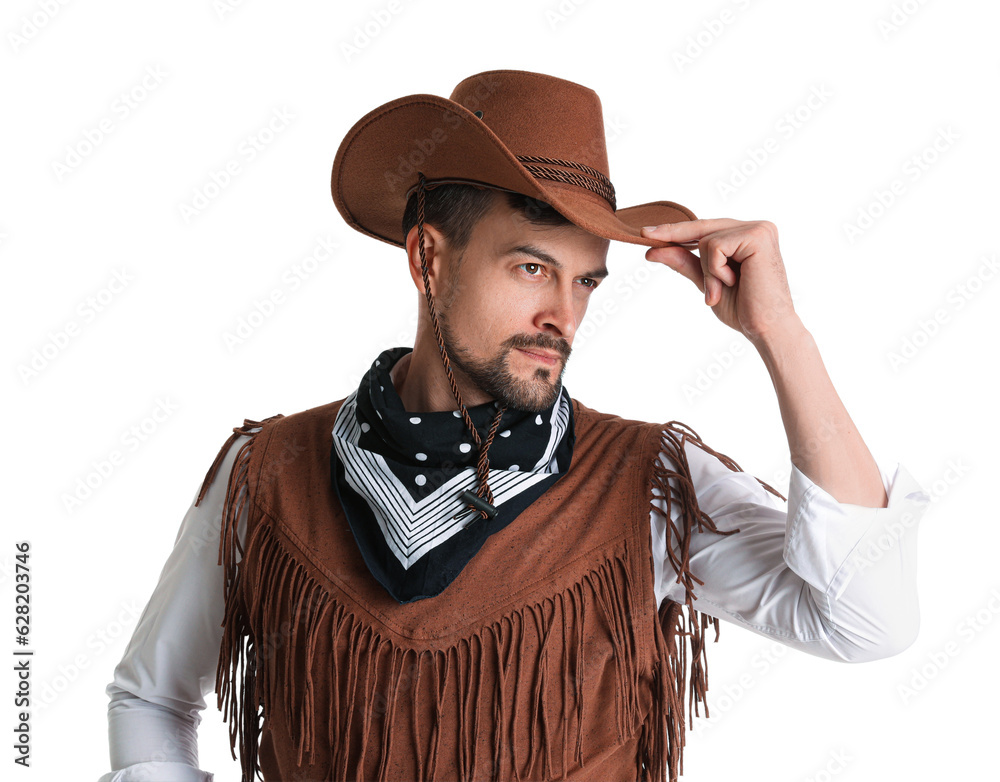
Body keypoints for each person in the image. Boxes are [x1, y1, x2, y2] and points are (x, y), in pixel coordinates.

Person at [99, 70, 930, 782]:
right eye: (532, 266)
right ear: (428, 257)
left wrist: (780, 331)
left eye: (586, 283)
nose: (561, 315)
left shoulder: (642, 481)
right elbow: (150, 698)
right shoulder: (265, 472)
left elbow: (865, 621)